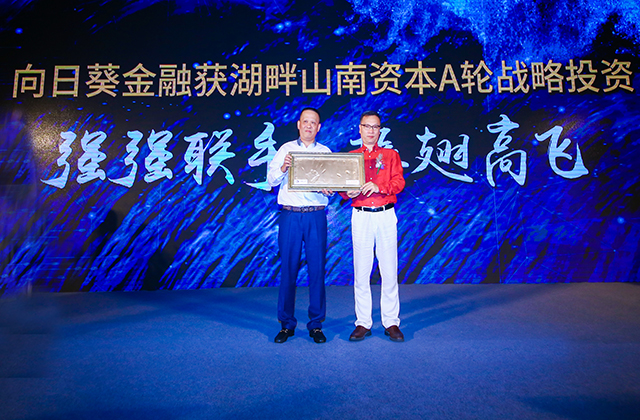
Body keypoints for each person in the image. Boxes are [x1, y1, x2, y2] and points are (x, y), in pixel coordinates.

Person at [267, 107, 332, 344]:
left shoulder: (325, 152)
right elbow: (270, 179)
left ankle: (316, 324)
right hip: (291, 215)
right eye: (305, 121)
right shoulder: (286, 149)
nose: (309, 126)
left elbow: (332, 184)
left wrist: (330, 188)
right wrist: (284, 167)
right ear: (298, 124)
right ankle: (286, 324)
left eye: (313, 123)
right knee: (288, 269)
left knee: (317, 269)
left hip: (316, 215)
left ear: (319, 127)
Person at [340, 111, 406, 342]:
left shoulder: (390, 155)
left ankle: (391, 321)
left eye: (375, 127)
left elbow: (399, 182)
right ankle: (363, 322)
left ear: (380, 130)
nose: (370, 131)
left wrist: (380, 187)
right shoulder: (351, 157)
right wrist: (347, 192)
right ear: (359, 129)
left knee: (389, 269)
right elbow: (342, 187)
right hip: (361, 216)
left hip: (385, 215)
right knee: (361, 270)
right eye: (366, 126)